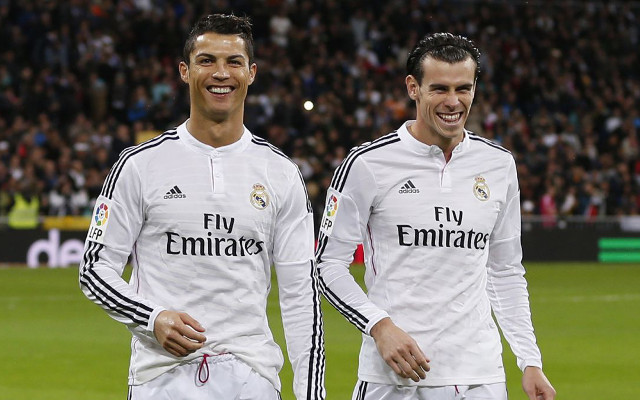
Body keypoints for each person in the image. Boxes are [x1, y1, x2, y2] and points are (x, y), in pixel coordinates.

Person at [79, 14, 325, 400]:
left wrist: (312, 393)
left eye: (234, 62)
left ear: (251, 73)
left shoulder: (280, 172)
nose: (221, 73)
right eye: (207, 60)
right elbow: (95, 269)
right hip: (161, 380)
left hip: (252, 378)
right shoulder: (139, 165)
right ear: (185, 71)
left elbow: (301, 294)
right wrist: (151, 319)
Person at [315, 32, 556, 400]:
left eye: (463, 89)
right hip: (394, 378)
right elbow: (327, 264)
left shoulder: (499, 164)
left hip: (481, 377)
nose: (453, 102)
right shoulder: (366, 164)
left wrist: (530, 360)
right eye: (440, 89)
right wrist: (379, 326)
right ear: (413, 87)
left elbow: (506, 270)